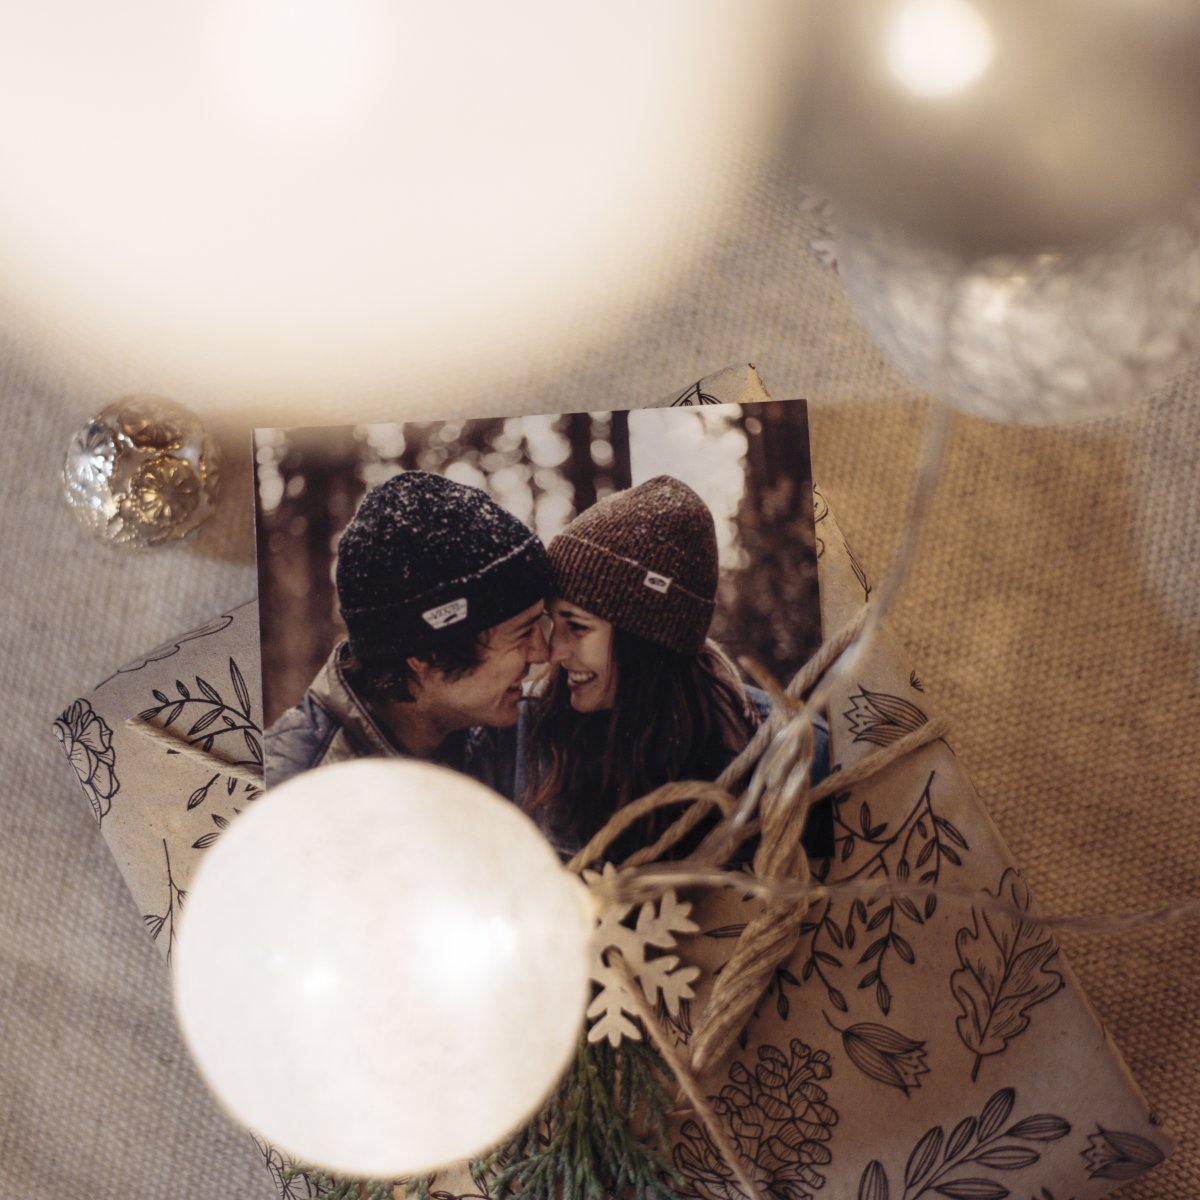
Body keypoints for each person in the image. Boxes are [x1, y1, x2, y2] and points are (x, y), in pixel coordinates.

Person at [521, 475, 829, 863]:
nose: (553, 651)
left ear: (647, 641)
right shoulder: (522, 735)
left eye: (578, 627)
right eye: (553, 621)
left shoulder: (793, 752)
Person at [266, 471, 553, 791]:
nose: (543, 652)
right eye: (522, 634)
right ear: (426, 655)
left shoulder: (516, 730)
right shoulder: (290, 797)